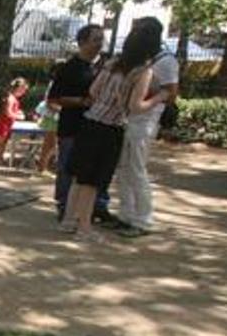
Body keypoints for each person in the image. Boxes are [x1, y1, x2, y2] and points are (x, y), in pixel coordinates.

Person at [61, 24, 169, 243]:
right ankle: (84, 229)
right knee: (92, 181)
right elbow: (136, 106)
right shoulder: (143, 72)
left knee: (80, 176)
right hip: (110, 128)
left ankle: (69, 221)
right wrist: (160, 97)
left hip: (90, 121)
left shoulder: (111, 63)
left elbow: (92, 91)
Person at [116, 17, 178, 238]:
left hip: (144, 121)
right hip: (130, 119)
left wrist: (155, 97)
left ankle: (143, 219)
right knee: (124, 168)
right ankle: (126, 213)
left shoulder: (164, 61)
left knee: (136, 169)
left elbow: (170, 92)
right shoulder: (144, 60)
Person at [49, 25, 109, 222]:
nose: (99, 44)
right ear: (82, 42)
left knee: (92, 168)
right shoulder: (69, 68)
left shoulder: (103, 67)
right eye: (95, 40)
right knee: (68, 166)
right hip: (72, 125)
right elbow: (54, 98)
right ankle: (64, 204)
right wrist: (81, 102)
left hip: (97, 125)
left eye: (101, 39)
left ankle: (93, 206)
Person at [0, 78, 28, 165]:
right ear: (19, 88)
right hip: (4, 123)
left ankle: (0, 158)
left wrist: (17, 112)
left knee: (4, 142)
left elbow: (12, 110)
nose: (24, 93)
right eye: (23, 90)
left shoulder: (13, 98)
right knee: (1, 142)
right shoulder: (11, 98)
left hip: (9, 124)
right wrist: (19, 116)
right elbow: (8, 112)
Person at [34, 96, 59, 174]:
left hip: (54, 119)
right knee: (50, 145)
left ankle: (42, 167)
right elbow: (49, 102)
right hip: (52, 120)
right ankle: (41, 168)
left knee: (50, 145)